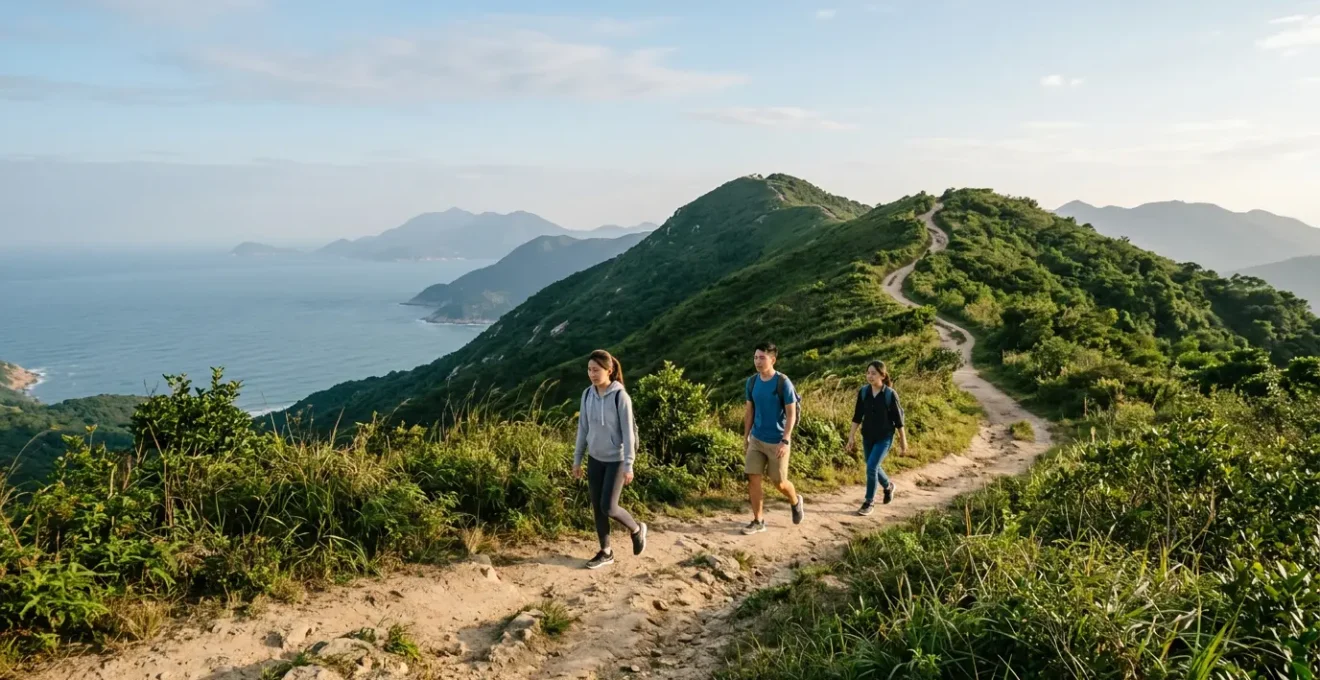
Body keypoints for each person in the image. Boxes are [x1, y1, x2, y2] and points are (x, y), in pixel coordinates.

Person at [572, 349, 647, 569]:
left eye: (596, 370)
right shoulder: (587, 395)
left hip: (617, 459)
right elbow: (582, 429)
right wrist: (578, 460)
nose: (592, 374)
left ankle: (636, 529)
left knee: (609, 506)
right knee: (597, 506)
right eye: (589, 370)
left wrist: (629, 464)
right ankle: (606, 552)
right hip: (595, 458)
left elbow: (628, 433)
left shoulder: (619, 396)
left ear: (609, 370)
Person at [741, 342, 805, 534]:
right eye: (755, 357)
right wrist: (746, 437)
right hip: (757, 439)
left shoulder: (783, 382)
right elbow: (749, 411)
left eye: (762, 358)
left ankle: (795, 501)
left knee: (779, 482)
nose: (757, 361)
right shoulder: (751, 382)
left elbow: (791, 414)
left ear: (773, 359)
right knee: (753, 478)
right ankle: (758, 520)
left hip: (778, 441)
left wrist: (785, 440)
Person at [845, 360, 908, 515]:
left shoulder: (889, 395)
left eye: (874, 373)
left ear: (882, 375)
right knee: (873, 466)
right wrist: (851, 436)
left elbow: (898, 421)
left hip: (884, 437)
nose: (870, 376)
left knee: (871, 467)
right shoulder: (864, 392)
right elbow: (857, 416)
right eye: (868, 373)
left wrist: (903, 442)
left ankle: (869, 502)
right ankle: (888, 486)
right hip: (867, 436)